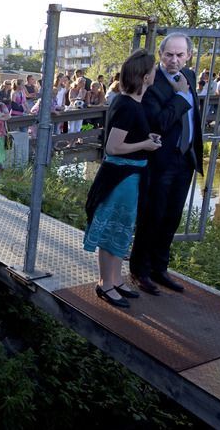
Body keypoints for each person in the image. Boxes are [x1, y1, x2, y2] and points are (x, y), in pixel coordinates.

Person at [84, 49, 161, 308]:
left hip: (130, 176)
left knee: (122, 229)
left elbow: (126, 140)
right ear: (146, 75)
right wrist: (145, 144)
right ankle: (105, 284)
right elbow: (113, 147)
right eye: (154, 69)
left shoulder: (130, 102)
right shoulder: (127, 104)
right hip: (121, 177)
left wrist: (146, 141)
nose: (156, 72)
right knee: (112, 230)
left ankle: (115, 279)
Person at [130, 33, 204, 295]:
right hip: (161, 160)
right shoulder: (151, 80)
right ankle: (140, 269)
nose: (174, 60)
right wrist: (182, 98)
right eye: (169, 54)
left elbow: (193, 113)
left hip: (185, 158)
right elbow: (158, 122)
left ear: (188, 56)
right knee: (152, 215)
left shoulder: (190, 76)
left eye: (180, 55)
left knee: (172, 216)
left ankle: (160, 268)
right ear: (161, 54)